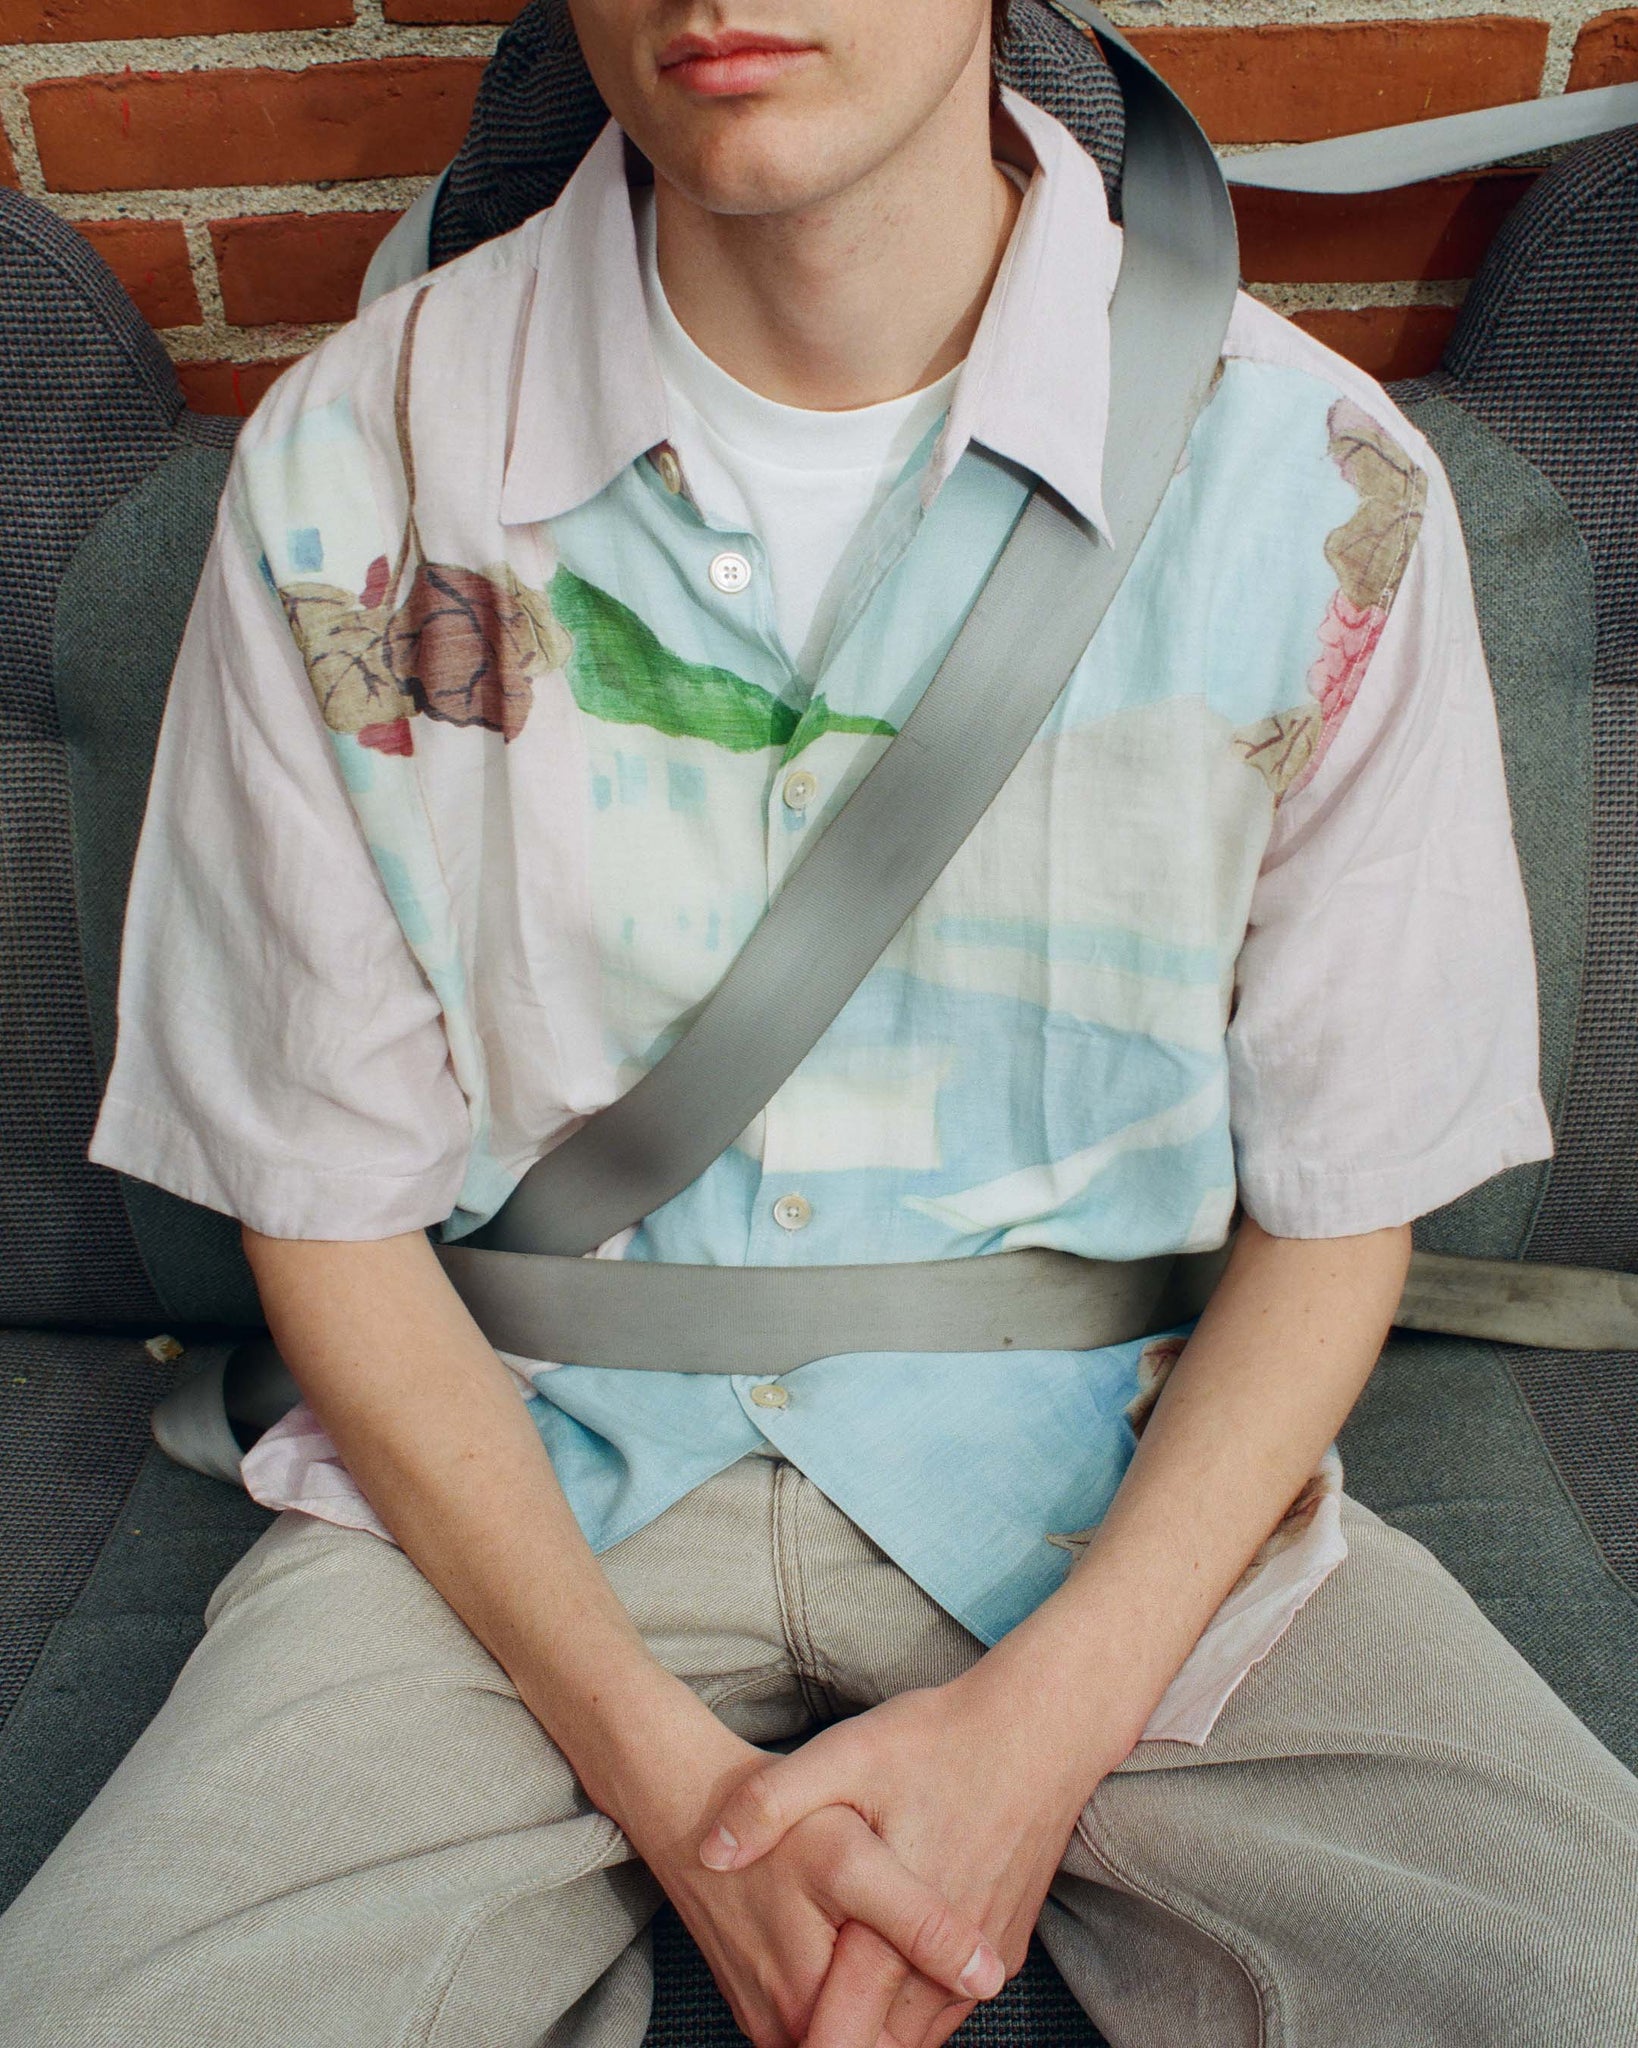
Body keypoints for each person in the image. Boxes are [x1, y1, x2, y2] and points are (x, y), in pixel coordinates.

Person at [3, 2, 1636, 2043]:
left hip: (1107, 1469)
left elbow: (1338, 1211)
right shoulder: (354, 464)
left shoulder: (1309, 480)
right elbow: (321, 1209)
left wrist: (1034, 1746)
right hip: (515, 1482)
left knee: (1580, 1982)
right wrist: (677, 1799)